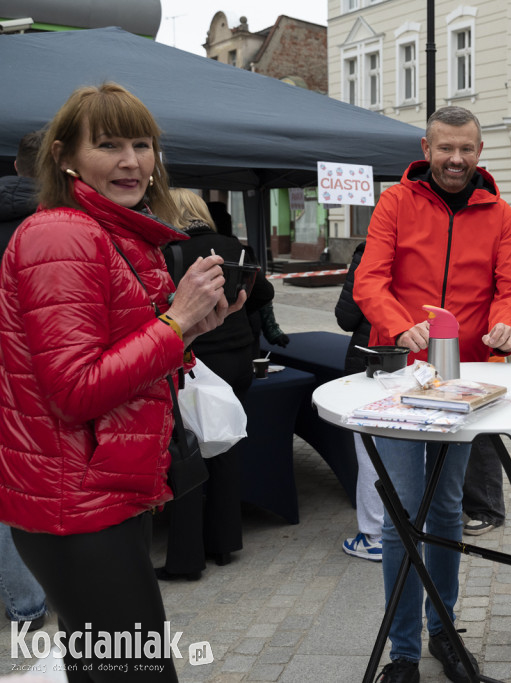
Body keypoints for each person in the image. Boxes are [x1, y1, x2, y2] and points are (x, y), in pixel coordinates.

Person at [0, 82, 244, 681]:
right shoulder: (62, 235)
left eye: (142, 143)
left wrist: (189, 329)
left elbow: (121, 361)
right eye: (108, 144)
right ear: (64, 156)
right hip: (77, 504)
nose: (132, 160)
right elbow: (76, 389)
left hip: (99, 493)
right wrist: (176, 320)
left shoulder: (111, 231)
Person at [353, 105, 511, 683]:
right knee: (403, 515)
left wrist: (509, 322)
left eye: (467, 150)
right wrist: (397, 323)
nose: (456, 160)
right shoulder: (396, 203)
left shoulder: (500, 213)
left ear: (481, 151)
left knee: (449, 508)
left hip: (465, 382)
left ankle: (444, 632)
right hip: (404, 381)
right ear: (426, 147)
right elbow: (369, 281)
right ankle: (402, 652)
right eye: (446, 148)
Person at [155, 189, 275, 580]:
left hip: (194, 360)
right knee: (223, 445)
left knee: (186, 452)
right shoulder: (231, 245)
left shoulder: (169, 249)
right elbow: (264, 293)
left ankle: (187, 559)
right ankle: (223, 543)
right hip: (238, 356)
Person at [0, 130, 50, 634]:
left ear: (15, 167)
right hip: (41, 374)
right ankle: (46, 592)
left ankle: (25, 604)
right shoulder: (63, 225)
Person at [334, 240, 384, 561]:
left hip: (371, 362)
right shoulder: (431, 245)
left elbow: (346, 317)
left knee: (370, 451)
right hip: (420, 361)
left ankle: (374, 535)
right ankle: (411, 524)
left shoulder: (369, 251)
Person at [206, 200, 290, 350]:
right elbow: (263, 293)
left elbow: (262, 292)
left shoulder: (242, 251)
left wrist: (271, 329)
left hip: (241, 325)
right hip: (234, 325)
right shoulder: (239, 250)